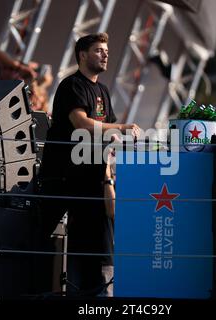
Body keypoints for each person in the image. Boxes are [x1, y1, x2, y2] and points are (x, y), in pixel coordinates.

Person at [39, 33, 140, 297]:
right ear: (82, 55)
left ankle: (94, 292)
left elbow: (109, 133)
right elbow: (83, 124)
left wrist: (127, 141)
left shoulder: (103, 91)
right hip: (62, 177)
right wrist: (121, 127)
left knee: (94, 240)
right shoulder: (72, 85)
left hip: (90, 179)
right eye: (98, 50)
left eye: (106, 50)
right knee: (40, 241)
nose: (105, 54)